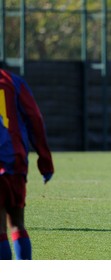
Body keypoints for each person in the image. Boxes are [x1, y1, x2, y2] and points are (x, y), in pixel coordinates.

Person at [0, 65, 54, 260]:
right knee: (16, 223)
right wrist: (45, 160)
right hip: (14, 160)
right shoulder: (12, 82)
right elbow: (35, 119)